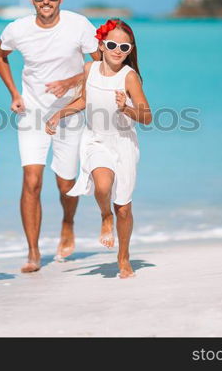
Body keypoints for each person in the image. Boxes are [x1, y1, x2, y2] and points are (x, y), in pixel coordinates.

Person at [0, 0, 101, 273]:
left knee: (66, 183)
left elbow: (100, 62)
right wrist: (14, 92)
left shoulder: (78, 25)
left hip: (71, 112)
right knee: (32, 180)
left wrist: (70, 82)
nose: (46, 1)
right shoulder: (18, 29)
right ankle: (33, 252)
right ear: (32, 0)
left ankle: (68, 223)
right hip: (33, 112)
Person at [46, 19, 151, 278]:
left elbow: (147, 116)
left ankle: (123, 258)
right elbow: (83, 99)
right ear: (101, 45)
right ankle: (105, 217)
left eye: (124, 47)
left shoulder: (129, 77)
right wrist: (59, 114)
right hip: (95, 140)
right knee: (102, 186)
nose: (118, 50)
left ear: (130, 50)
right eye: (112, 44)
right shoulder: (90, 68)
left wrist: (125, 107)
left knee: (123, 207)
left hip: (123, 143)